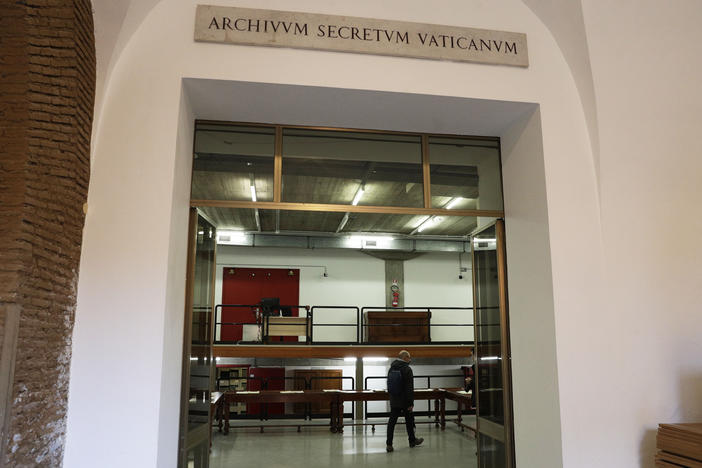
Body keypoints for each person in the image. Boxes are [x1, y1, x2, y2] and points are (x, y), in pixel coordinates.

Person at [386, 350, 424, 452]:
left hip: (394, 399)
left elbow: (389, 384)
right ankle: (412, 441)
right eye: (409, 357)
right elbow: (409, 387)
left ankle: (389, 444)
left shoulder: (391, 368)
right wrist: (410, 402)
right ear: (405, 357)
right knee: (409, 420)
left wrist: (392, 397)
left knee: (392, 422)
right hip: (405, 400)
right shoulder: (407, 369)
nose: (410, 360)